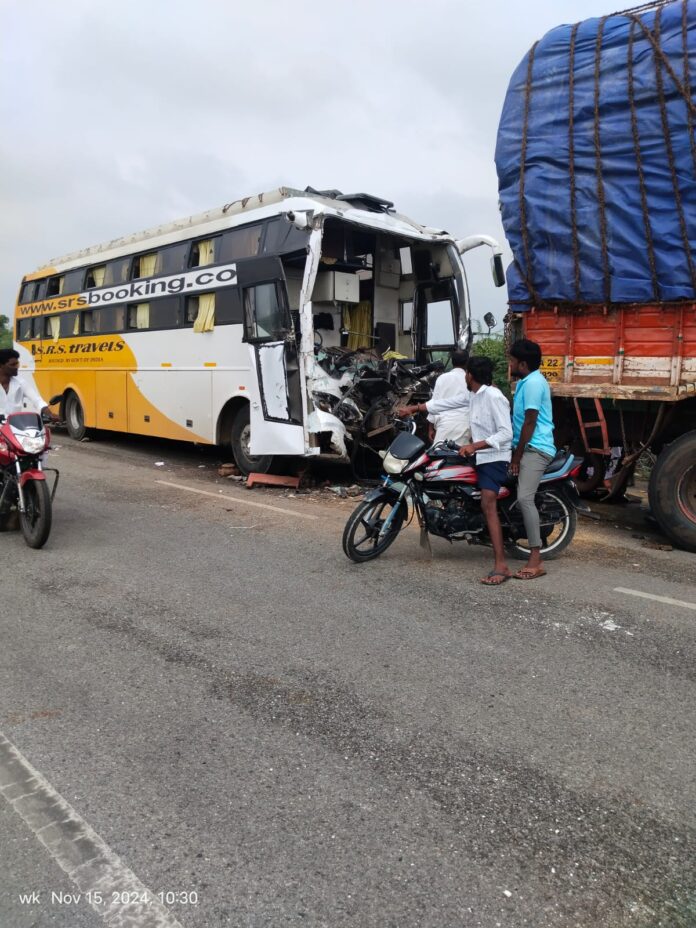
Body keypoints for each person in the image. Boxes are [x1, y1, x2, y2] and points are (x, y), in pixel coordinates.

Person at [455, 356, 513, 585]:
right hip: (481, 457)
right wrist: (415, 408)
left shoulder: (494, 396)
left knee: (488, 503)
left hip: (495, 458)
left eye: (466, 373)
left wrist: (475, 446)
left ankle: (501, 565)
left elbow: (506, 433)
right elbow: (449, 403)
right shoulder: (474, 395)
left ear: (470, 375)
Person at [508, 338, 556, 580]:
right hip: (524, 446)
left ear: (523, 364)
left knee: (524, 498)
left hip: (536, 449)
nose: (510, 364)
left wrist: (517, 456)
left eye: (512, 361)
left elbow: (530, 421)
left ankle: (536, 558)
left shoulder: (534, 383)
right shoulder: (525, 382)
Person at [398, 349, 471, 445]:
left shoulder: (442, 378)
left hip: (444, 426)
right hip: (465, 426)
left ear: (452, 361)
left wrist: (430, 428)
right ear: (467, 362)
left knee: (440, 451)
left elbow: (435, 403)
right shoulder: (470, 380)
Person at [0, 348, 54, 420]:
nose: (17, 367)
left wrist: (50, 414)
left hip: (15, 424)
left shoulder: (20, 382)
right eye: (13, 365)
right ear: (1, 366)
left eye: (17, 364)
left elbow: (37, 400)